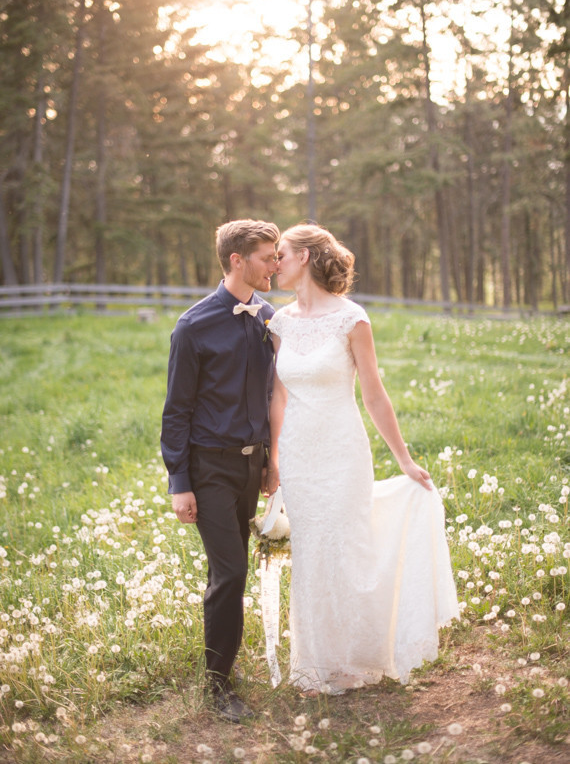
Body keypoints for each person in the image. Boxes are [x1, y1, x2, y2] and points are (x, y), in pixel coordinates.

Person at [266, 223, 459, 695]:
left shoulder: (352, 319)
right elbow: (277, 397)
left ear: (306, 258)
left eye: (282, 254)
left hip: (342, 450)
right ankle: (314, 663)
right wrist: (273, 463)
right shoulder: (278, 322)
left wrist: (406, 461)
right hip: (297, 455)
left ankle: (357, 656)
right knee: (311, 553)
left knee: (345, 548)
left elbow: (374, 395)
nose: (275, 263)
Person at [161, 219, 280, 722]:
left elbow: (277, 394)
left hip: (254, 468)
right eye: (267, 256)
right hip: (209, 467)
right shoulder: (193, 326)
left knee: (226, 571)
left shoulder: (269, 318)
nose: (277, 264)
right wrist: (179, 482)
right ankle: (217, 686)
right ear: (237, 260)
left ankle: (222, 660)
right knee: (230, 571)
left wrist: (273, 459)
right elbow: (177, 410)